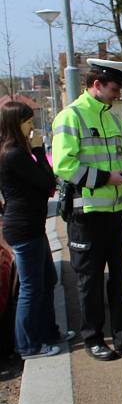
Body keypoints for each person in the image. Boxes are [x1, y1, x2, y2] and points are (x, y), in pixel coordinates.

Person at [51, 58, 122, 361]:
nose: (117, 95)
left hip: (117, 212)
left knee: (121, 280)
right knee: (90, 282)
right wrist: (106, 179)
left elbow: (120, 161)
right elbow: (64, 165)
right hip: (87, 216)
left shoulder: (112, 119)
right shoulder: (70, 117)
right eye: (114, 89)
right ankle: (94, 339)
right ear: (96, 85)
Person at [0, 101, 74, 359]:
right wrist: (40, 150)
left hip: (32, 226)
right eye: (28, 122)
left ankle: (49, 333)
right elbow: (47, 183)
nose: (33, 128)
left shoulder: (14, 152)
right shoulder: (14, 154)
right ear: (15, 124)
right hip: (23, 228)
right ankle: (27, 345)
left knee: (47, 281)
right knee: (31, 288)